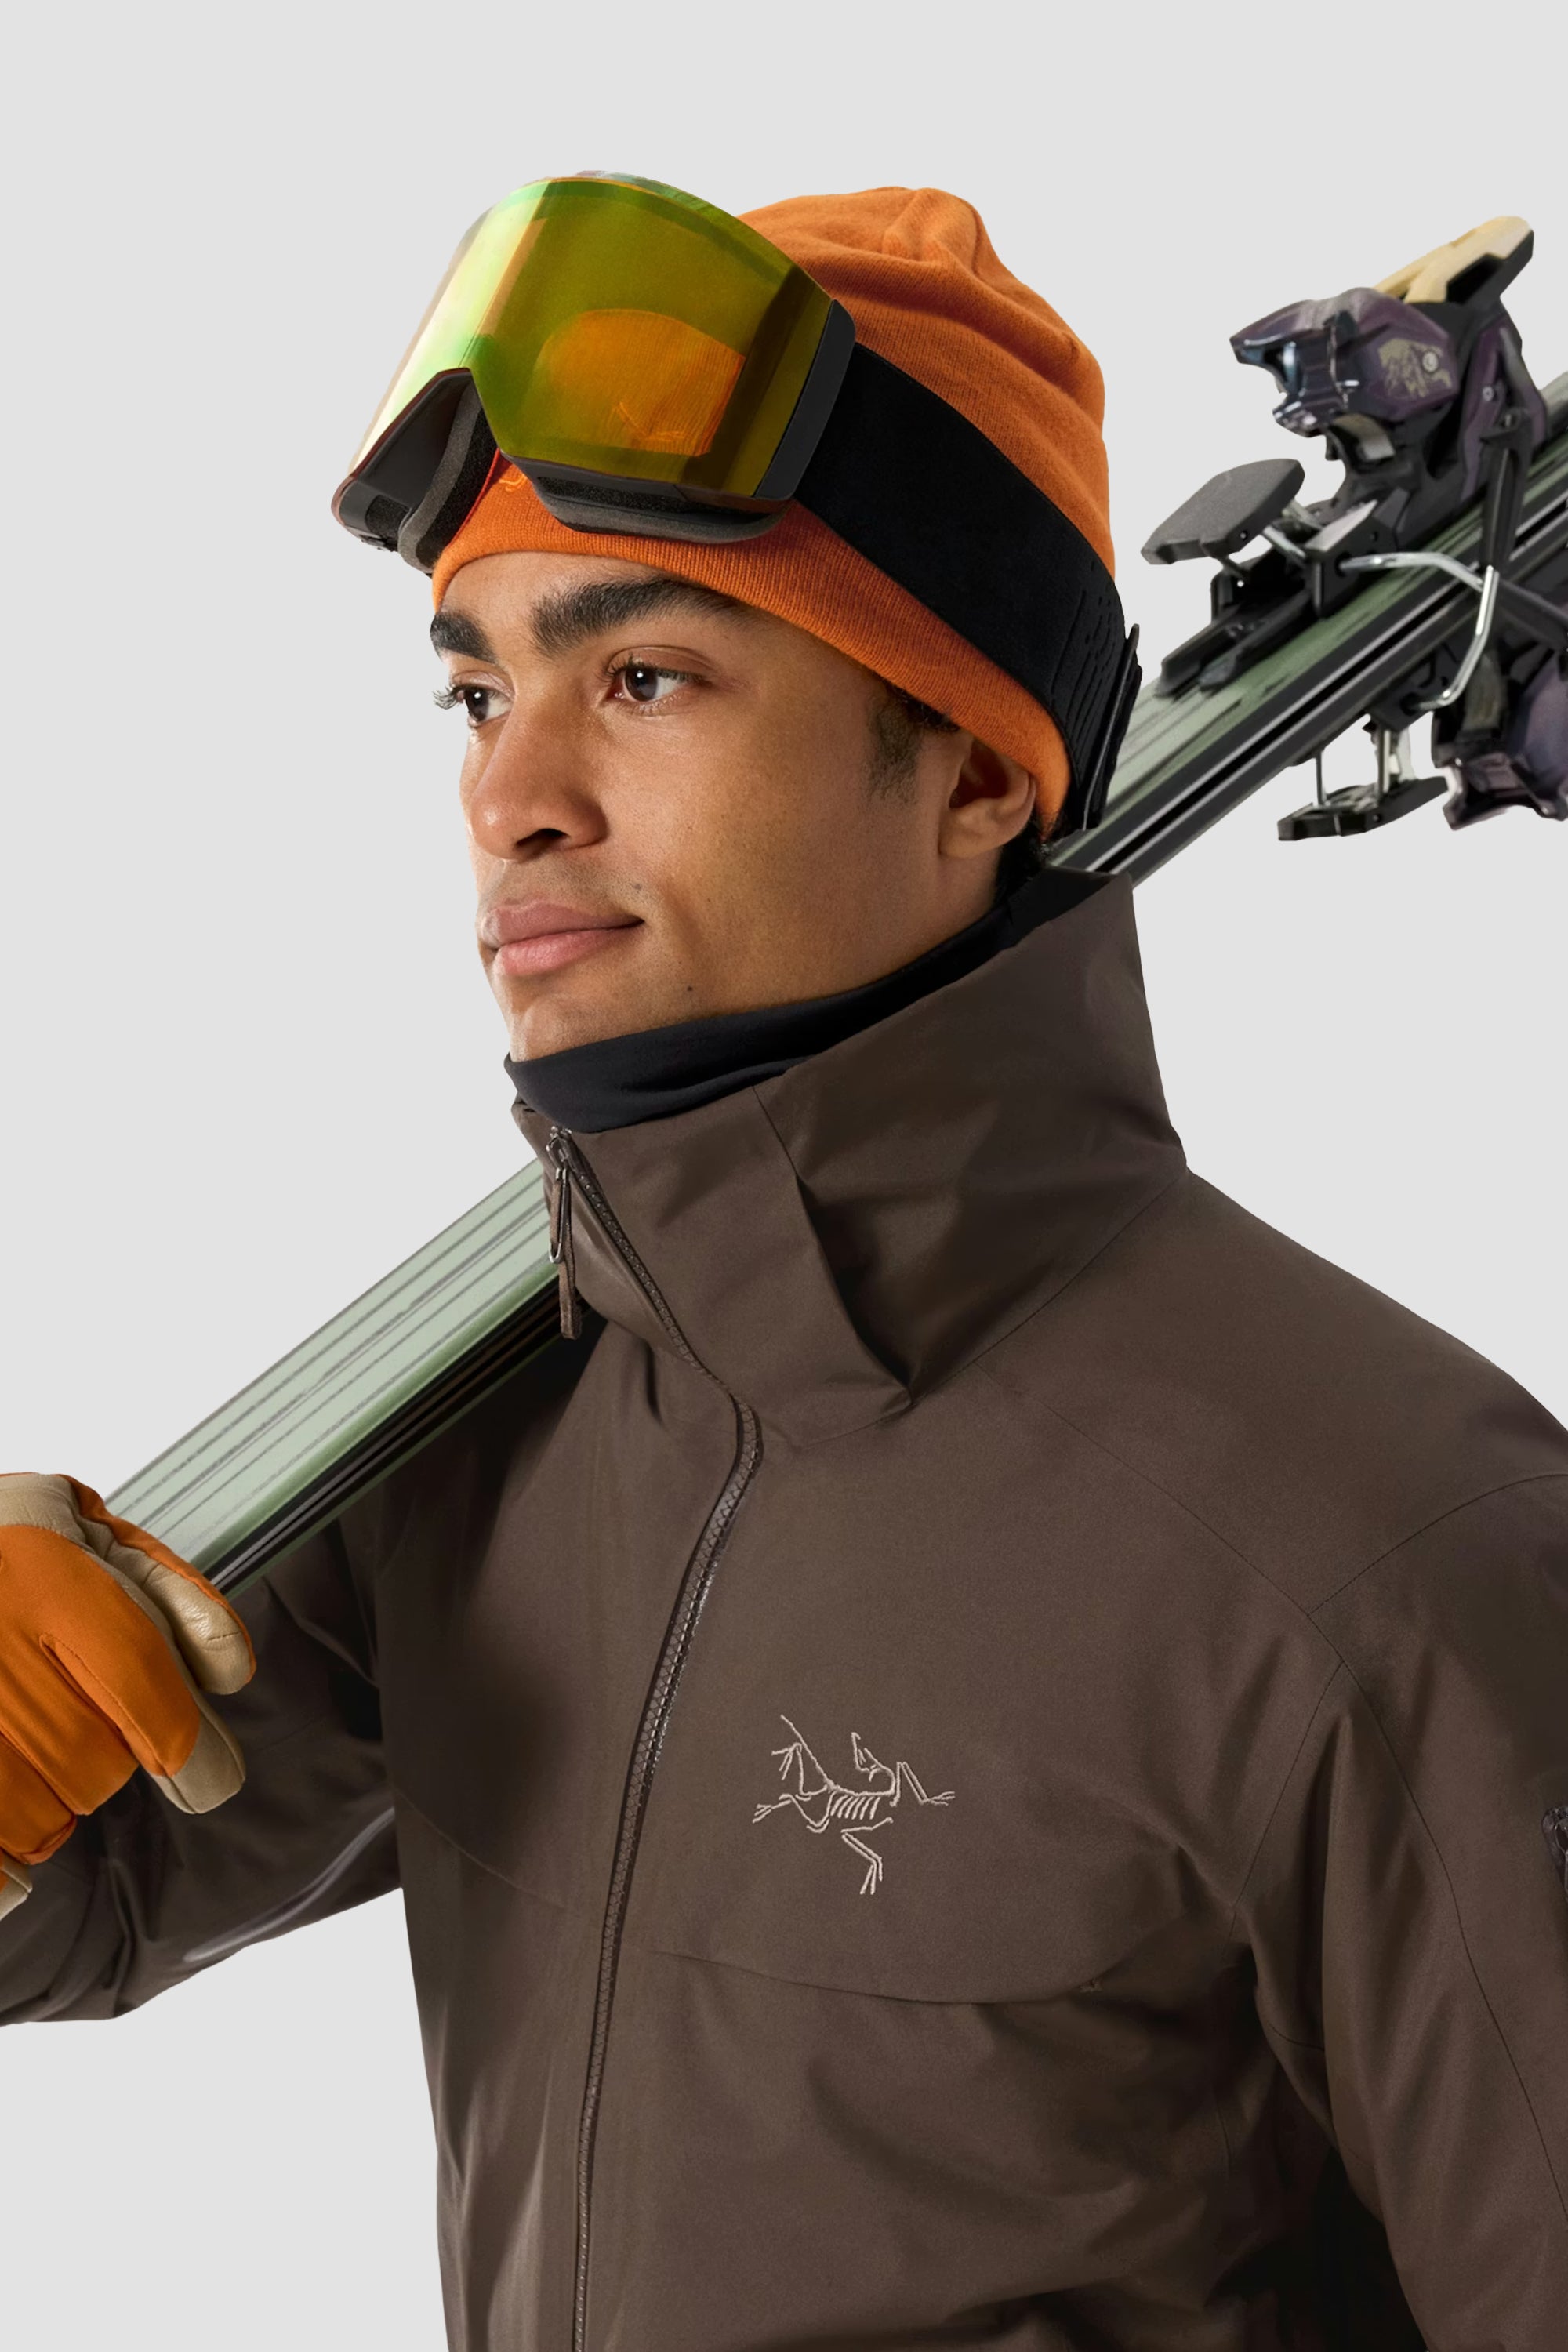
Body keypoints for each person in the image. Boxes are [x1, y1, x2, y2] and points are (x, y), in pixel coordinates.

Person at [2, 178, 1566, 2352]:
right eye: (477, 693)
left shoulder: (1379, 1546)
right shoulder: (490, 1433)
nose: (512, 798)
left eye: (643, 675)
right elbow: (78, 1911)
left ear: (973, 767)